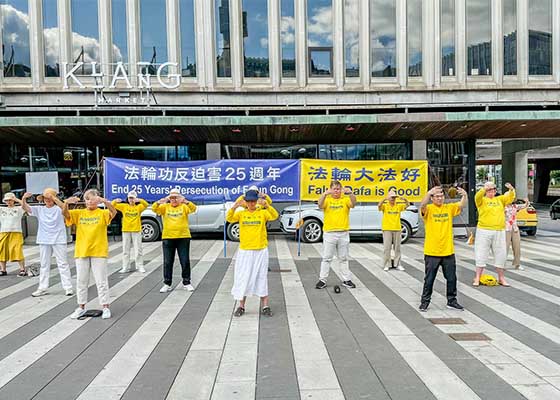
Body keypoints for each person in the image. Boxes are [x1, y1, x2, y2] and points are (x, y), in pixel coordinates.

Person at [63, 189, 117, 319]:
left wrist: (105, 201)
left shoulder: (102, 213)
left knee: (101, 280)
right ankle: (81, 307)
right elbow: (65, 214)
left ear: (97, 200)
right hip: (82, 251)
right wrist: (66, 203)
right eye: (87, 199)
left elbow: (113, 212)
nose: (90, 201)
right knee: (81, 281)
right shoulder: (79, 213)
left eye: (92, 198)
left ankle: (105, 307)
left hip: (98, 251)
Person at [226, 189, 279, 317]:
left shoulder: (262, 213)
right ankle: (241, 306)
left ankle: (265, 305)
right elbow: (229, 218)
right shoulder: (241, 214)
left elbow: (275, 215)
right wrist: (234, 206)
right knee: (243, 276)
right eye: (249, 201)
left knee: (261, 276)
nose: (251, 204)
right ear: (245, 201)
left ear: (256, 201)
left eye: (253, 201)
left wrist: (267, 205)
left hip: (260, 249)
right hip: (245, 250)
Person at [418, 186, 468, 312]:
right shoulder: (429, 209)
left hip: (448, 251)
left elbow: (461, 205)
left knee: (451, 278)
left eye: (441, 196)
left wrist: (465, 195)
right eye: (437, 196)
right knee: (429, 279)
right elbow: (422, 206)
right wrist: (429, 193)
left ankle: (452, 301)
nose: (439, 198)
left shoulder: (449, 208)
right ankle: (425, 302)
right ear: (432, 198)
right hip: (432, 251)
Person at [21, 189, 74, 297]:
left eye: (50, 198)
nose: (48, 200)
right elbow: (25, 208)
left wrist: (54, 198)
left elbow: (64, 209)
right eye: (46, 198)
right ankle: (42, 287)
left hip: (58, 239)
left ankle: (68, 287)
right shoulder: (40, 209)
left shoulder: (59, 208)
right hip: (44, 239)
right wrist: (24, 198)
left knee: (62, 263)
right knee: (44, 264)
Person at [153, 188, 197, 293]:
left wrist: (185, 201)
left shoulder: (184, 207)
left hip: (183, 237)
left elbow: (194, 208)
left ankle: (186, 282)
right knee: (168, 261)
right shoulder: (165, 207)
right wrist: (161, 201)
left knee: (185, 260)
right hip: (168, 237)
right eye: (172, 197)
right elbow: (154, 209)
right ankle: (167, 283)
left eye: (176, 197)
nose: (174, 200)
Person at [315, 180, 357, 290]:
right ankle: (322, 280)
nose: (336, 191)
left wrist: (351, 193)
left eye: (338, 189)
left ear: (341, 189)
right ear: (331, 189)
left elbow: (353, 204)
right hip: (330, 233)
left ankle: (346, 279)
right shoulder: (327, 200)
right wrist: (324, 194)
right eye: (334, 189)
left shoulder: (345, 199)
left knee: (343, 258)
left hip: (343, 233)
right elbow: (320, 205)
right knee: (327, 258)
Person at [473, 182, 516, 286]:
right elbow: (477, 197)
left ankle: (501, 278)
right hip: (484, 230)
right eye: (489, 190)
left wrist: (511, 189)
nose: (492, 192)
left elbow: (510, 198)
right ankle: (477, 277)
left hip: (499, 230)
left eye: (493, 190)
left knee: (501, 254)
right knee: (481, 253)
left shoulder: (500, 199)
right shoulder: (482, 200)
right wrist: (484, 188)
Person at [112, 191, 148, 273]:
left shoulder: (139, 207)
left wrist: (139, 200)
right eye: (130, 198)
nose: (131, 200)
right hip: (126, 230)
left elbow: (146, 204)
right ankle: (125, 267)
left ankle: (140, 266)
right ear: (127, 198)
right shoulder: (124, 206)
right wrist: (115, 200)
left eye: (133, 198)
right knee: (125, 250)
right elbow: (113, 205)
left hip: (136, 230)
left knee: (138, 249)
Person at [378, 190, 410, 271]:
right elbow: (379, 206)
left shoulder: (398, 206)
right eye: (391, 197)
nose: (393, 199)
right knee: (387, 248)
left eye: (394, 197)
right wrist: (385, 199)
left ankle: (397, 264)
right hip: (387, 229)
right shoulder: (385, 206)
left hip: (397, 228)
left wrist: (404, 199)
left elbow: (407, 205)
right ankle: (386, 264)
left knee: (397, 248)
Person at [0, 192, 27, 276]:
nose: (9, 201)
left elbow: (26, 206)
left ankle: (22, 269)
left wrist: (17, 199)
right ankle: (3, 270)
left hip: (16, 232)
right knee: (1, 250)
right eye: (7, 200)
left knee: (17, 249)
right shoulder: (1, 209)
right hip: (4, 231)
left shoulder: (19, 209)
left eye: (10, 200)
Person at [505, 198, 529, 271]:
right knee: (505, 247)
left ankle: (517, 264)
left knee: (517, 246)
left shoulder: (515, 206)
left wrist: (527, 202)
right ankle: (502, 265)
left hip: (515, 228)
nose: (511, 199)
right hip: (506, 228)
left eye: (512, 198)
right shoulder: (503, 206)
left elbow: (524, 206)